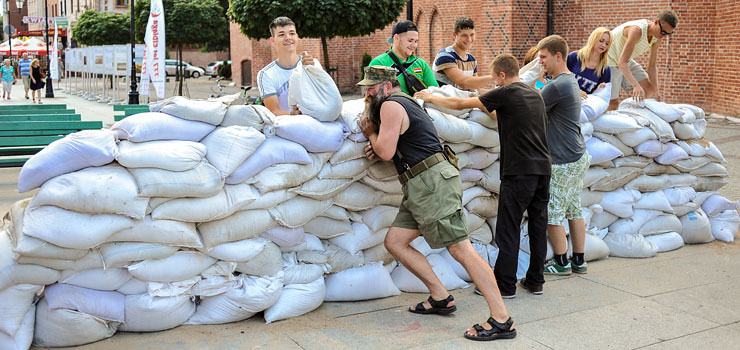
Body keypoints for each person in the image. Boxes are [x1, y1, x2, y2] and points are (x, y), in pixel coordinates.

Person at [358, 65, 515, 342]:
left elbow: (384, 150)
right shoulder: (402, 104)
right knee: (395, 241)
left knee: (460, 249)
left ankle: (502, 319)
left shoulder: (391, 105)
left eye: (371, 87)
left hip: (431, 183)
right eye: (366, 87)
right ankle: (440, 297)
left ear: (386, 86)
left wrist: (372, 133)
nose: (367, 92)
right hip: (419, 184)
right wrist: (379, 138)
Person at [415, 54, 551, 298]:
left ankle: (505, 285)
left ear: (501, 75)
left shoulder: (506, 92)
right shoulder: (535, 96)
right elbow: (505, 119)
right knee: (538, 225)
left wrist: (430, 97)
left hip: (518, 170)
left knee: (508, 228)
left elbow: (461, 105)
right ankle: (535, 281)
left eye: (496, 79)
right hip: (543, 169)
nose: (496, 84)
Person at [536, 35, 590, 276]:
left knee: (553, 213)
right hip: (577, 155)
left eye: (544, 57)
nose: (540, 62)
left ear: (558, 56)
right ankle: (579, 260)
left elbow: (531, 105)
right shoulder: (569, 81)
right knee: (574, 209)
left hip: (563, 159)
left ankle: (561, 263)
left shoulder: (557, 85)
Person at [607, 10, 678, 110]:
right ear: (656, 22)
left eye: (667, 34)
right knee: (613, 103)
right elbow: (622, 63)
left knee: (649, 89)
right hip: (609, 59)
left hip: (624, 59)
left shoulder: (657, 38)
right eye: (662, 31)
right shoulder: (637, 30)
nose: (663, 35)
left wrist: (656, 90)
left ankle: (634, 115)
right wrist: (635, 85)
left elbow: (652, 66)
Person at [256, 16, 318, 116]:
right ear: (272, 41)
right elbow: (274, 111)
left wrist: (312, 72)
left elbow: (323, 98)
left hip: (316, 122)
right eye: (281, 35)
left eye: (292, 33)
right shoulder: (266, 74)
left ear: (297, 37)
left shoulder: (312, 64)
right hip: (287, 126)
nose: (288, 38)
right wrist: (294, 114)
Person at [368, 20, 438, 95]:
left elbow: (436, 92)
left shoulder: (421, 64)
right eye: (410, 40)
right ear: (396, 38)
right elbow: (372, 96)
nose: (414, 45)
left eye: (416, 41)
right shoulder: (378, 63)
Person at [432, 16, 493, 91]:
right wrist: (495, 77)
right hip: (445, 101)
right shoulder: (445, 56)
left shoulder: (472, 59)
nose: (469, 39)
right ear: (454, 35)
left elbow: (475, 89)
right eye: (464, 35)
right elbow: (463, 82)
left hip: (464, 101)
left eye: (472, 35)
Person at [567, 27, 612, 98]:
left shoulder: (605, 69)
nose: (603, 45)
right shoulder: (575, 57)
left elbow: (597, 98)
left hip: (582, 105)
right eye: (601, 41)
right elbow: (556, 77)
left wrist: (598, 90)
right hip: (564, 98)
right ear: (593, 39)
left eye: (607, 44)